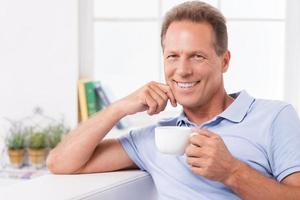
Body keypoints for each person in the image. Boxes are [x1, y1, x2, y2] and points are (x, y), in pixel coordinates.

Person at [47, 1, 300, 199]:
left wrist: (232, 172)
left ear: (224, 61)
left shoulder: (275, 117)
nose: (182, 70)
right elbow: (60, 162)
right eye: (172, 56)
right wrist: (120, 107)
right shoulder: (157, 138)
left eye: (197, 56)